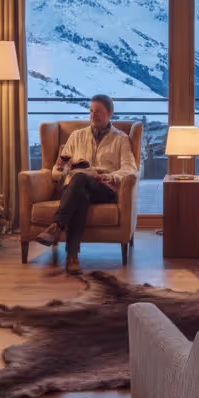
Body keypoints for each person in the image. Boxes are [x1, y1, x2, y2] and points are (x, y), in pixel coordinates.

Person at [35, 94, 138, 275]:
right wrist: (60, 167)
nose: (93, 115)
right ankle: (72, 257)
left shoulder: (121, 139)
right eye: (91, 111)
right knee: (81, 191)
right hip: (76, 187)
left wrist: (111, 177)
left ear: (110, 114)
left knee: (80, 179)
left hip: (104, 188)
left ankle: (57, 226)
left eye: (98, 111)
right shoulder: (76, 136)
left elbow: (130, 169)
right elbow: (57, 173)